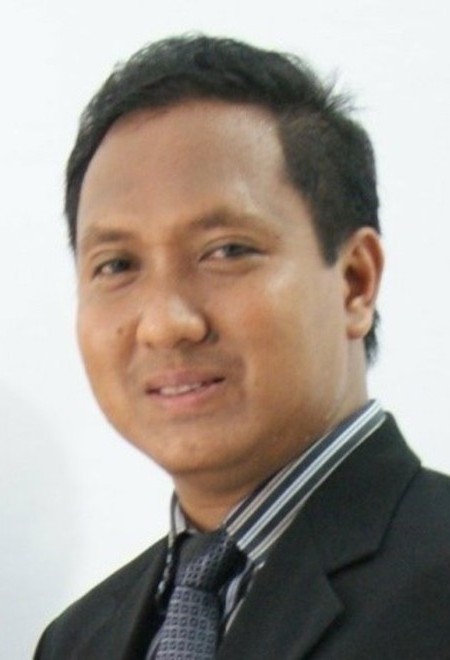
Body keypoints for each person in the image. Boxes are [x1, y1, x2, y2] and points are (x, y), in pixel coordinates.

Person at [35, 35, 450, 659]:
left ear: (355, 281)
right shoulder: (74, 641)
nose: (165, 323)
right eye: (117, 265)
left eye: (227, 251)